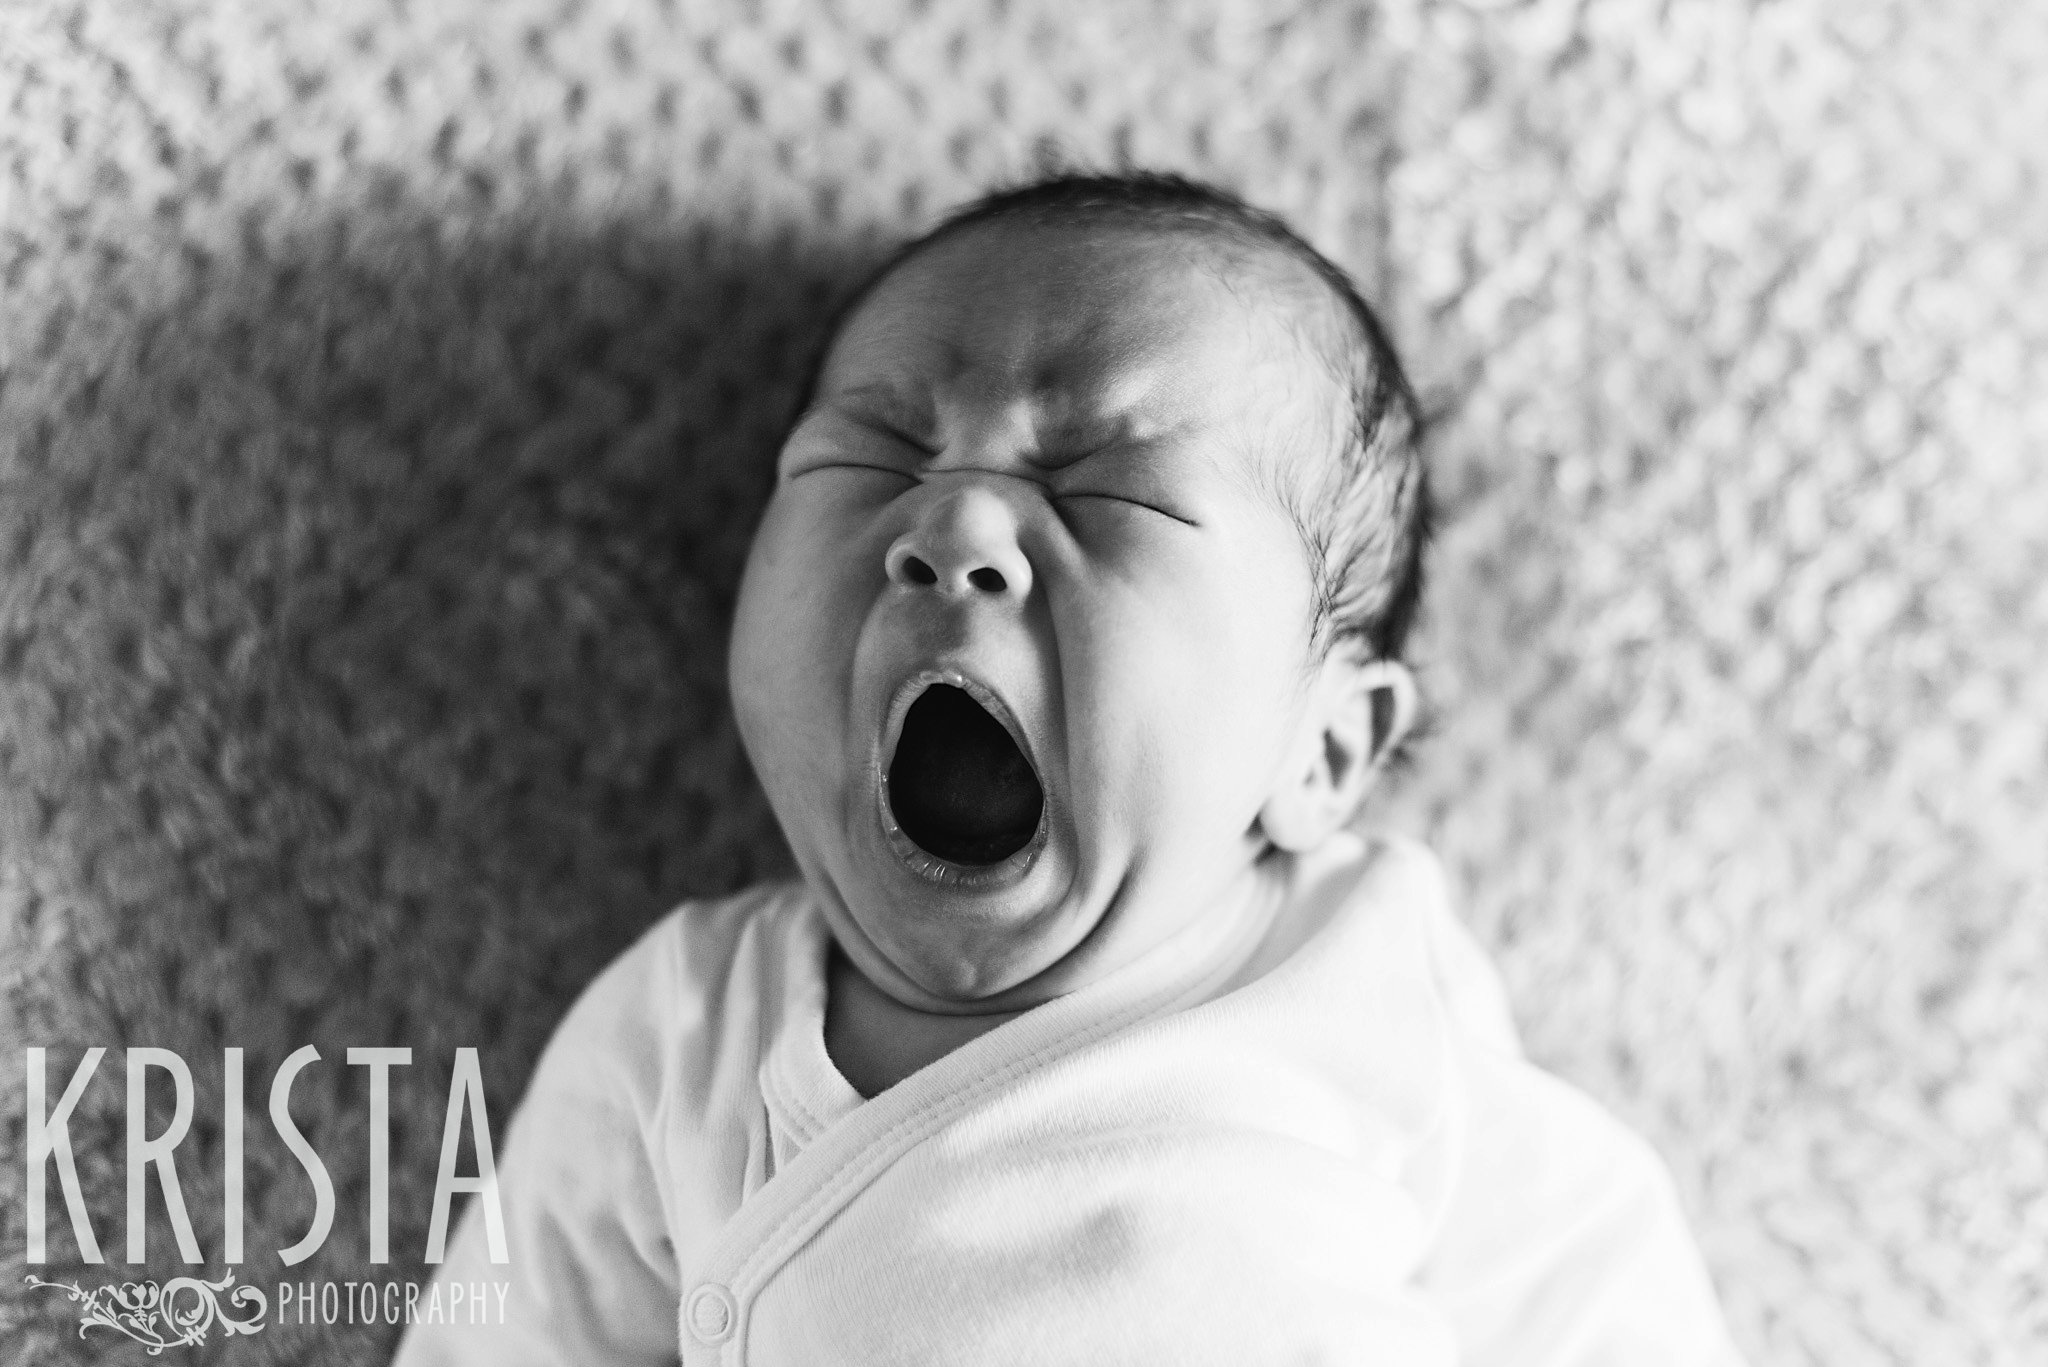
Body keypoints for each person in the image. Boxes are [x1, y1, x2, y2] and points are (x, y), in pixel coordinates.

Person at [394, 172, 1746, 1366]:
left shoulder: (1371, 993)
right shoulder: (685, 1038)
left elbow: (1601, 1312)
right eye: (866, 459)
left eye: (1114, 489)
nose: (954, 519)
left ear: (1323, 747)